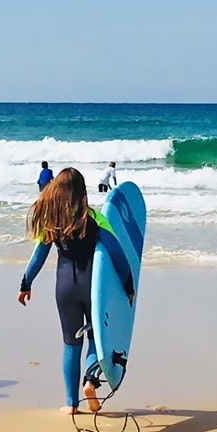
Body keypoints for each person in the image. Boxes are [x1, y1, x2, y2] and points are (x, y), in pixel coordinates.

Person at [17, 167, 134, 413]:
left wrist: (26, 284)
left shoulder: (53, 222)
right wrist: (128, 285)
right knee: (95, 338)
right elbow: (117, 253)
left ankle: (71, 404)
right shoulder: (93, 218)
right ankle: (90, 382)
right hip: (92, 288)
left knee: (71, 344)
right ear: (82, 192)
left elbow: (38, 256)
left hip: (64, 290)